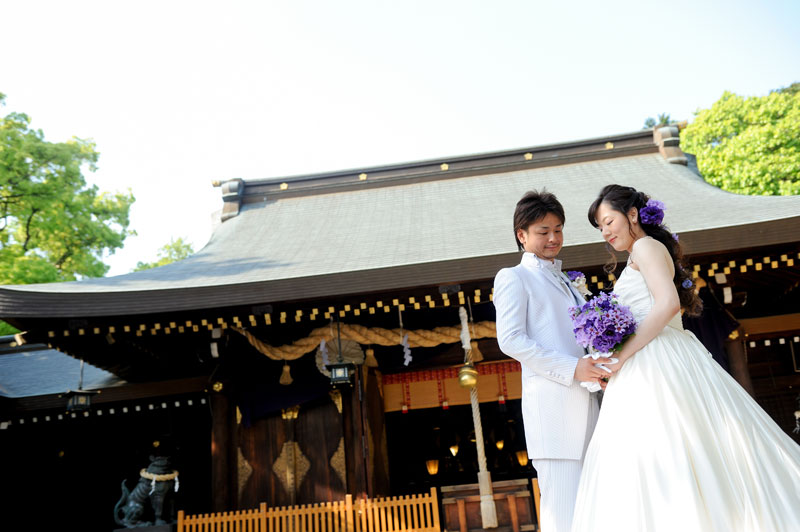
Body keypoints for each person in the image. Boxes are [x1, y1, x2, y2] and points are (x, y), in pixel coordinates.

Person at [571, 184, 800, 531]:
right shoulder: (642, 251)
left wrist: (623, 355)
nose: (604, 232)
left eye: (607, 221)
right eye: (599, 227)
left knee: (671, 446)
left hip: (659, 359)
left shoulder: (646, 245)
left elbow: (667, 304)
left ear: (632, 214)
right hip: (647, 360)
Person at [494, 190, 610, 532]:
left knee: (594, 513)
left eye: (558, 229)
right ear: (522, 235)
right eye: (543, 231)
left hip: (592, 403)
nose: (553, 238)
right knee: (564, 515)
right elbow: (510, 340)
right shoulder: (513, 277)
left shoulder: (567, 279)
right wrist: (574, 368)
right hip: (555, 413)